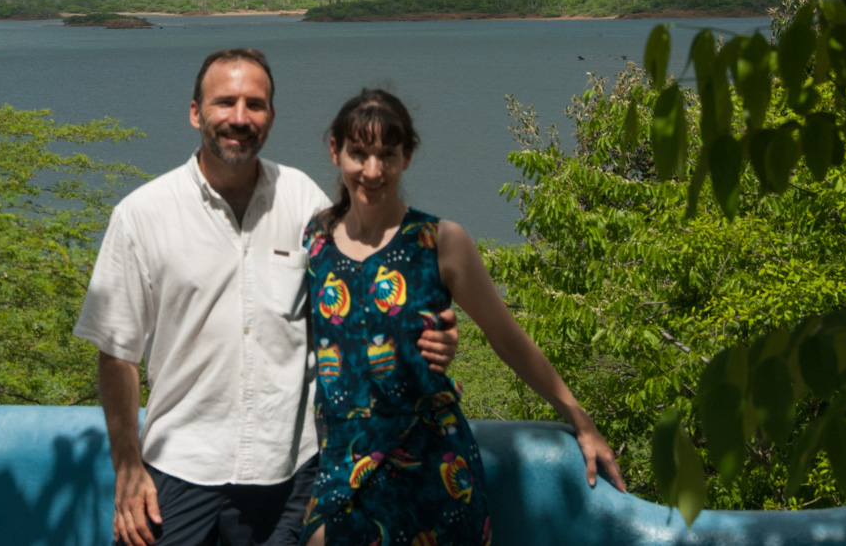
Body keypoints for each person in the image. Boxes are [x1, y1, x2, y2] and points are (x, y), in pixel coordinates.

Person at [73, 50, 459, 546]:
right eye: (224, 102)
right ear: (196, 112)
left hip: (292, 471)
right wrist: (127, 467)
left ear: (271, 117)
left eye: (254, 104)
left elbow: (360, 306)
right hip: (182, 465)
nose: (239, 117)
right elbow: (116, 352)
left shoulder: (304, 202)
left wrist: (429, 336)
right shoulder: (141, 215)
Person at [301, 89, 625, 546]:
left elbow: (507, 338)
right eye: (359, 153)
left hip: (433, 464)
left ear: (407, 157)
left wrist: (579, 419)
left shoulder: (440, 241)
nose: (372, 171)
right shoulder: (316, 238)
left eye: (387, 155)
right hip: (343, 462)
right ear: (336, 151)